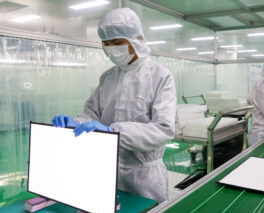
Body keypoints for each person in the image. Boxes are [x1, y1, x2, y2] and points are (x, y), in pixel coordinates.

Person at [51, 8, 176, 203]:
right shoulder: (108, 78)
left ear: (136, 40)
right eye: (106, 44)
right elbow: (92, 114)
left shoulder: (160, 76)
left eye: (118, 43)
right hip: (109, 171)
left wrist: (113, 131)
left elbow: (163, 129)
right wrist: (75, 123)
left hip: (145, 177)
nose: (112, 49)